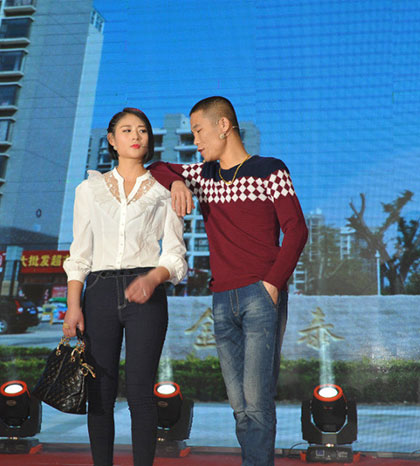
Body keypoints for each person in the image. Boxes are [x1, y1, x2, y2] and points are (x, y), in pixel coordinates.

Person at [148, 96, 308, 466]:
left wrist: (272, 284)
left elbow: (297, 229)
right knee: (239, 405)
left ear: (223, 126)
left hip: (260, 294)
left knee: (256, 399)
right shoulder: (203, 175)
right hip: (221, 299)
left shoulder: (270, 169)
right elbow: (157, 167)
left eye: (199, 131)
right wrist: (178, 184)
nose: (195, 142)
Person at [62, 107, 188, 466]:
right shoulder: (89, 189)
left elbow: (176, 255)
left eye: (143, 130)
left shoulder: (165, 190)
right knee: (100, 393)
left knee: (140, 393)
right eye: (127, 130)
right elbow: (79, 254)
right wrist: (73, 305)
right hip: (99, 293)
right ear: (112, 140)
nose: (136, 136)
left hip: (146, 294)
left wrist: (152, 278)